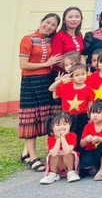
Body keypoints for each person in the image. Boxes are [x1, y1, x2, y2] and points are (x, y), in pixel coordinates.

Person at [19, 13, 62, 173]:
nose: (49, 26)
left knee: (42, 116)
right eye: (47, 22)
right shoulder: (28, 39)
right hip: (30, 81)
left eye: (53, 25)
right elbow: (23, 64)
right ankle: (33, 157)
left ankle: (26, 153)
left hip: (47, 80)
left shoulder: (52, 40)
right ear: (41, 21)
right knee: (30, 117)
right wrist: (47, 63)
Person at [79, 100, 102, 180]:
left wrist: (100, 139)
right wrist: (86, 139)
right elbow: (82, 144)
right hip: (92, 153)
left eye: (98, 113)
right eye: (93, 113)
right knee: (82, 168)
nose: (95, 115)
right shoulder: (88, 126)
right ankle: (93, 167)